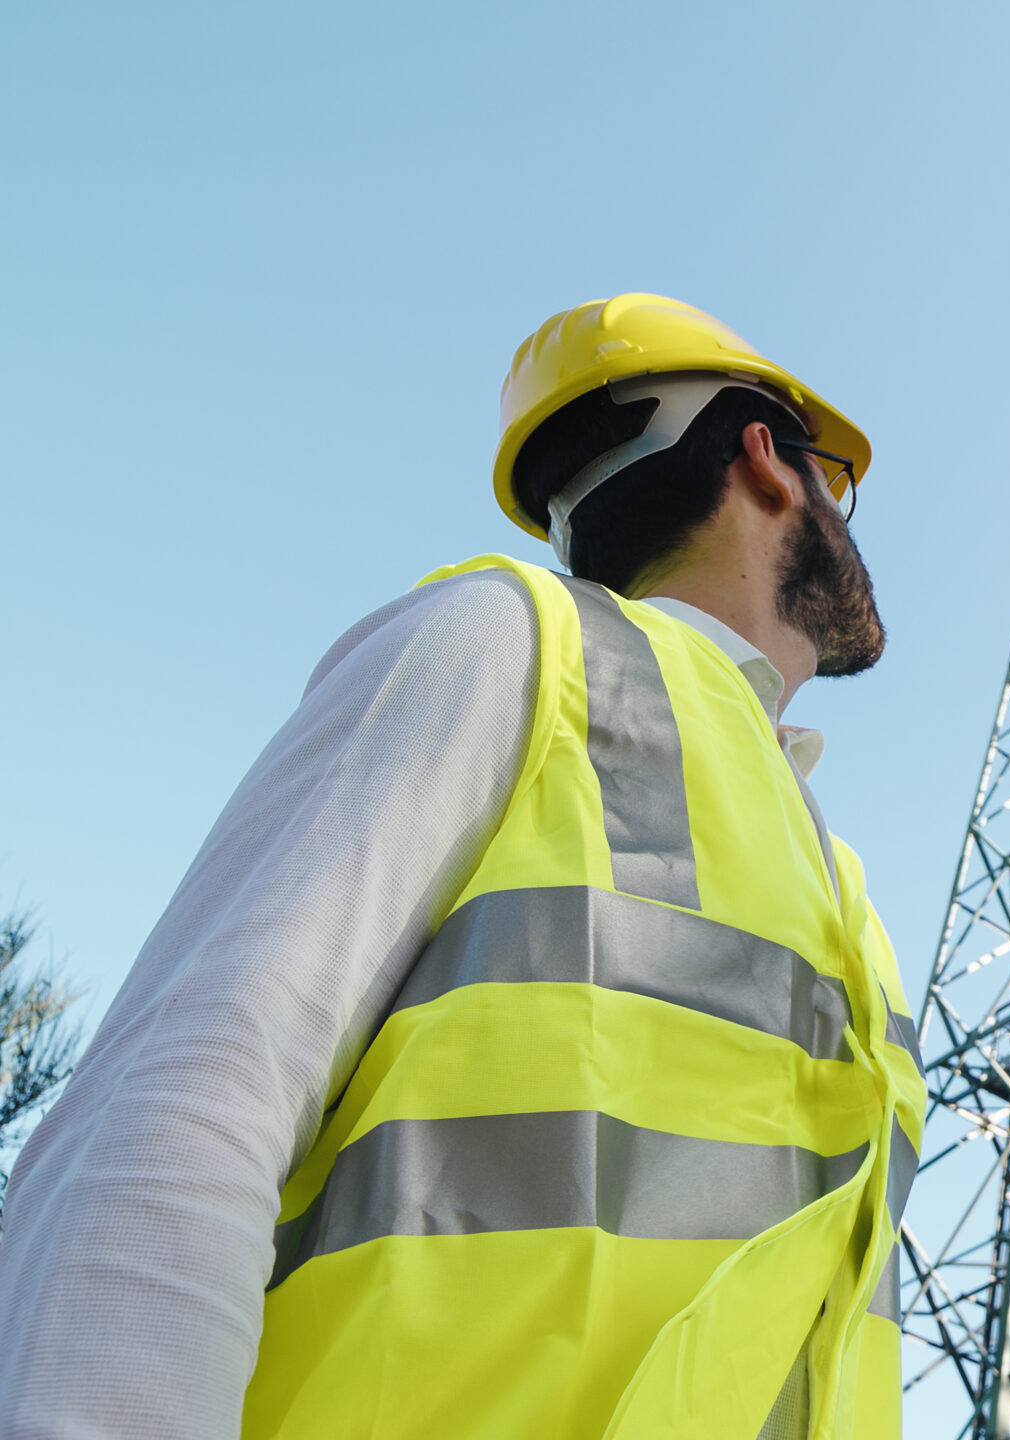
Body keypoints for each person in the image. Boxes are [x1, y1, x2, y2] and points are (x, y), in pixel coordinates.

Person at [0, 294, 925, 1440]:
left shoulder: (830, 880)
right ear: (768, 466)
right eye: (835, 476)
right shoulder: (511, 642)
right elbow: (182, 1103)